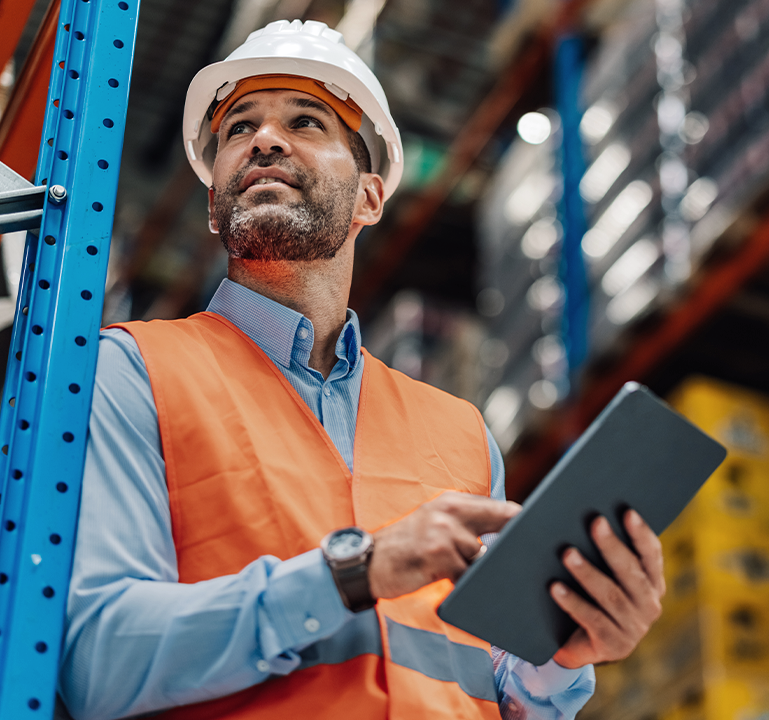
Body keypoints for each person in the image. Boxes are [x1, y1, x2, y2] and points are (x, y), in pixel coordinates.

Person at [59, 18, 666, 720]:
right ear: (213, 204)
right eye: (236, 129)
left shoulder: (461, 434)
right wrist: (351, 574)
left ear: (370, 198)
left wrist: (565, 657)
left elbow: (498, 690)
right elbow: (98, 662)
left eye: (307, 120)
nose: (263, 139)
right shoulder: (131, 371)